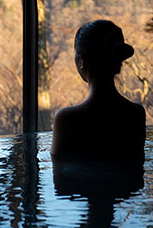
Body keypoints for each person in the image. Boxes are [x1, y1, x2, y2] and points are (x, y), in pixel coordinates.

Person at [51, 20, 146, 164]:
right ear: (119, 62)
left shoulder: (67, 120)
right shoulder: (136, 114)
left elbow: (61, 181)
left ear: (81, 61)